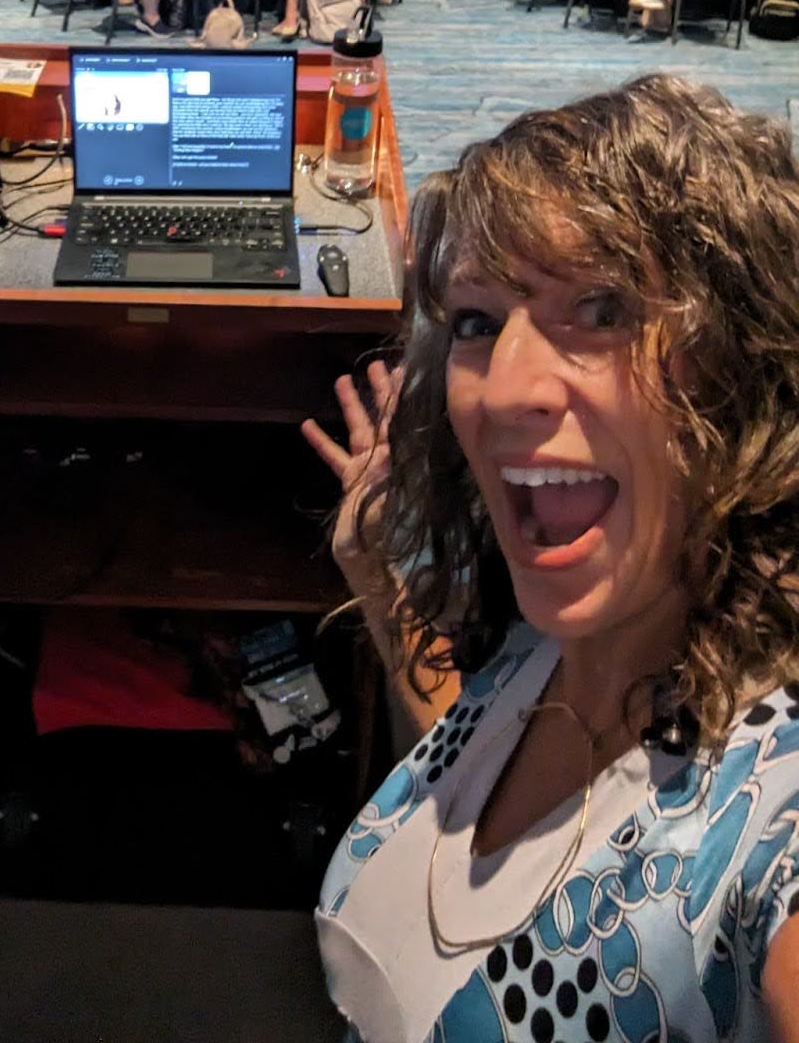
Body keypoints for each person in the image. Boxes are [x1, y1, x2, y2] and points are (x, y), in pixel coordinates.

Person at [305, 73, 799, 1043]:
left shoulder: (772, 804)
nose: (503, 391)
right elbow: (471, 762)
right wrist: (377, 576)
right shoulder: (557, 637)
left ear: (746, 365)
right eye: (480, 323)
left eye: (605, 307)